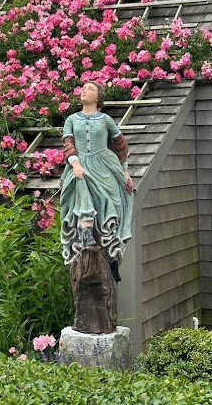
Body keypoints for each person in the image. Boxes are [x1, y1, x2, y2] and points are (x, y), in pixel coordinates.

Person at [60, 81, 134, 333]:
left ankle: (109, 252)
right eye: (83, 88)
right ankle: (84, 229)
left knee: (112, 202)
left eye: (90, 89)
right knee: (79, 183)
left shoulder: (106, 120)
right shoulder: (71, 119)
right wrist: (75, 162)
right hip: (80, 165)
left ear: (98, 97)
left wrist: (125, 172)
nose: (84, 91)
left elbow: (121, 145)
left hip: (104, 165)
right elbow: (68, 143)